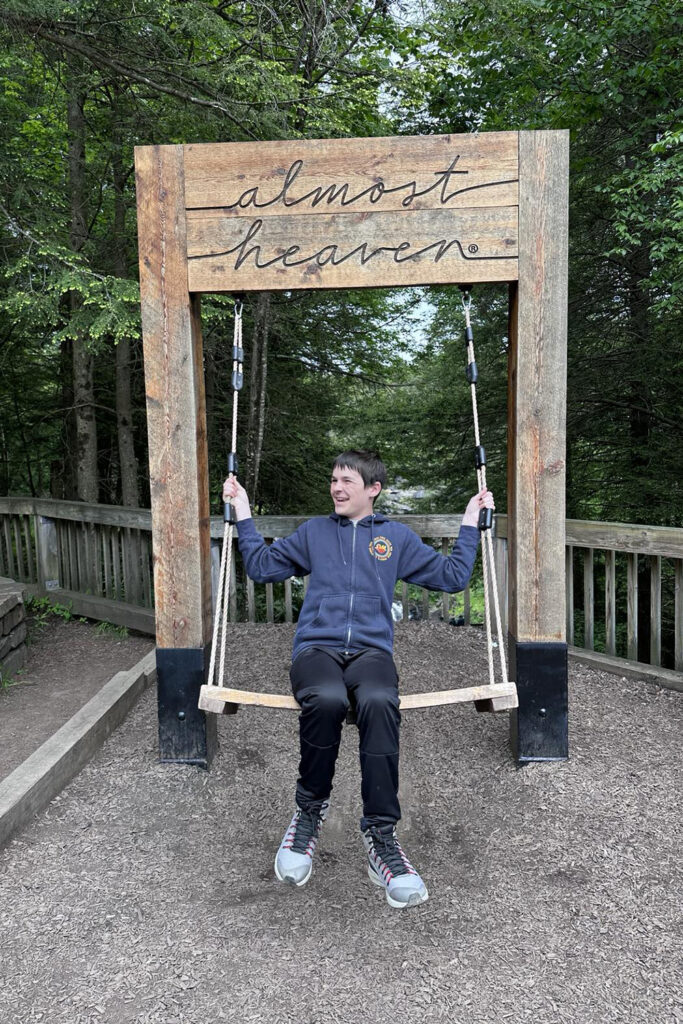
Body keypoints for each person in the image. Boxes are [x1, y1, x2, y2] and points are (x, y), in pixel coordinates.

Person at [222, 450, 494, 910]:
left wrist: (470, 523)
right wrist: (243, 514)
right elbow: (263, 568)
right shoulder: (315, 533)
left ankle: (381, 837)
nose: (337, 488)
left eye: (347, 480)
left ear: (373, 490)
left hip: (371, 651)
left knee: (380, 699)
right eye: (333, 479)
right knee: (326, 699)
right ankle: (308, 816)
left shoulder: (394, 538)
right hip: (317, 648)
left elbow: (451, 576)